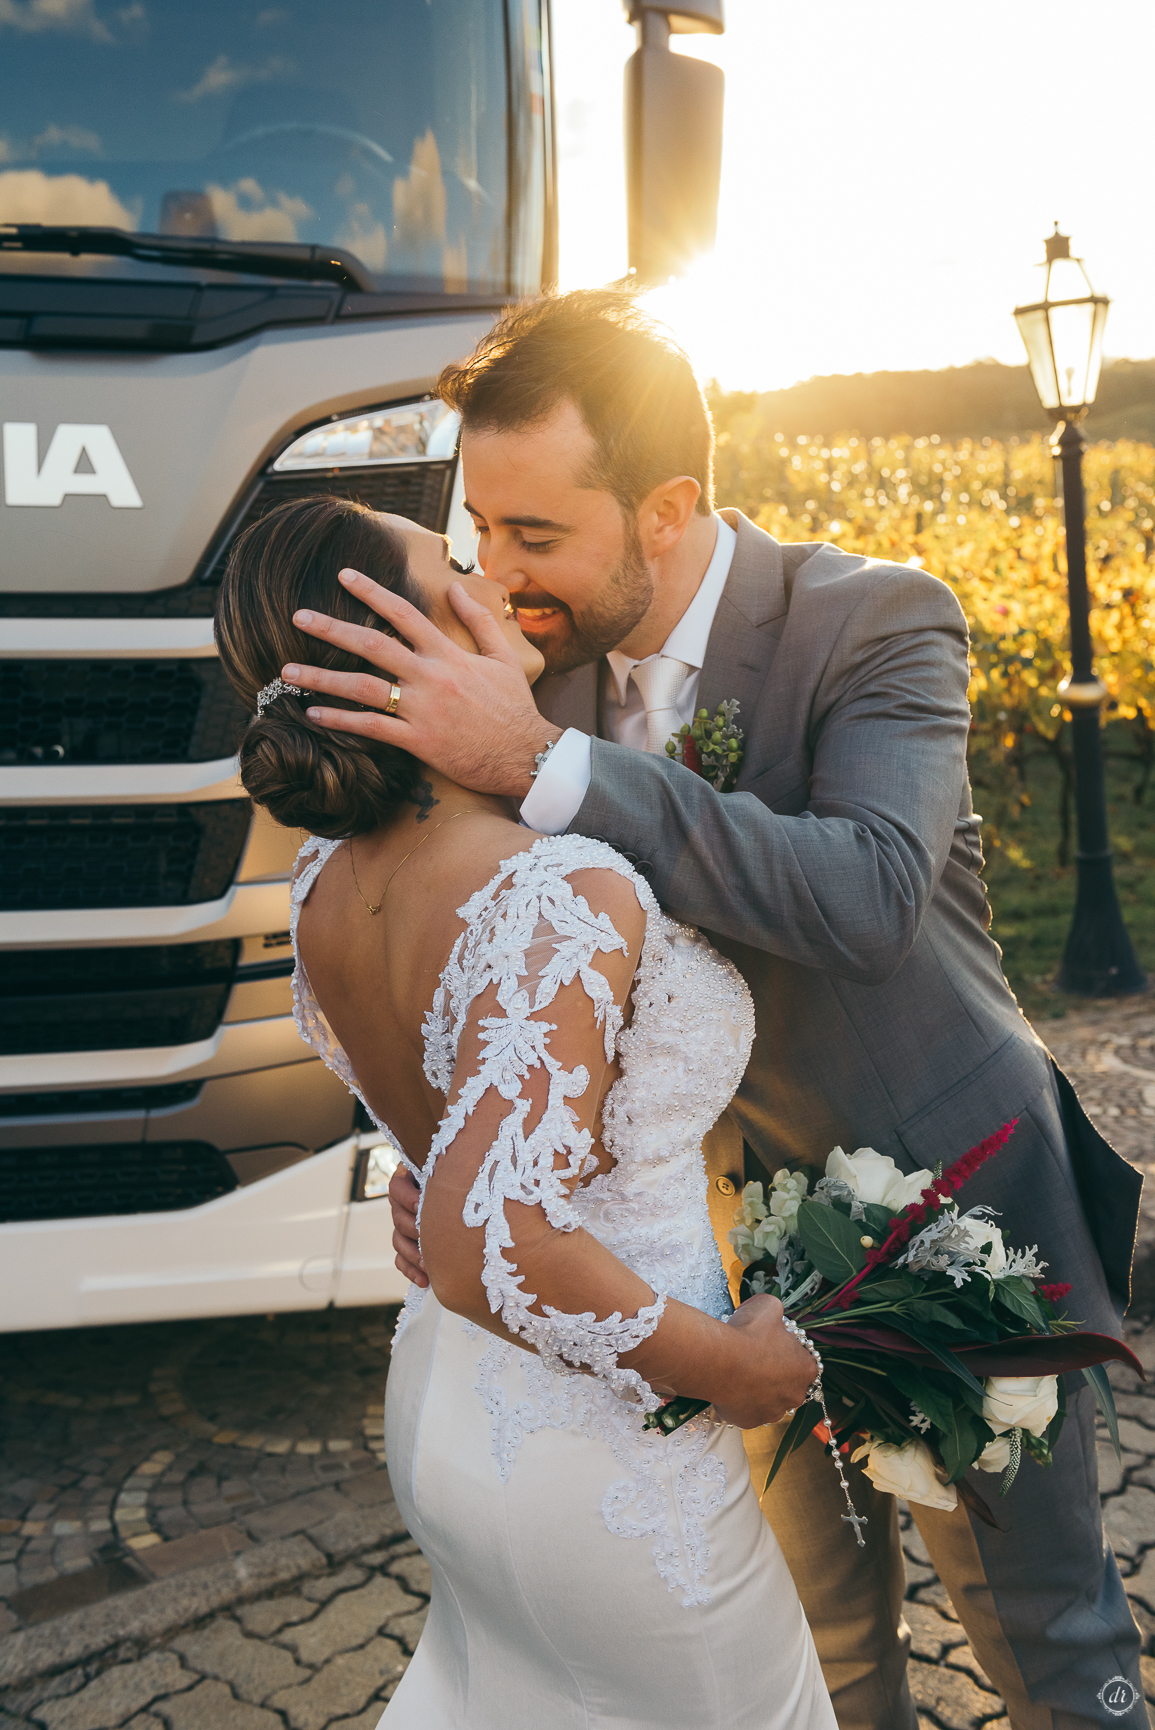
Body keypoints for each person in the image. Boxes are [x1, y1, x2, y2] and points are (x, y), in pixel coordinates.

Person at [284, 291, 1148, 1730]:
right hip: (705, 1261)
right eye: (478, 528)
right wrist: (464, 1163)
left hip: (940, 1220)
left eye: (535, 534)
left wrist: (548, 763)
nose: (496, 574)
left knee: (1045, 1636)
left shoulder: (873, 618)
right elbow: (487, 957)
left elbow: (867, 897)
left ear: (667, 508)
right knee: (818, 1645)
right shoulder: (526, 664)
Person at [214, 493, 837, 1730]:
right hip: (609, 1459)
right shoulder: (560, 886)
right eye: (451, 567)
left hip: (455, 1415)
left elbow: (461, 1165)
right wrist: (736, 1367)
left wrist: (436, 1184)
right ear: (399, 638)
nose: (491, 583)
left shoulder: (333, 877)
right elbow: (490, 1237)